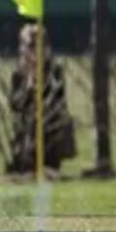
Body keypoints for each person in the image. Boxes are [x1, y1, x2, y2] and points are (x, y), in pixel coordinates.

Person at [8, 24, 76, 176]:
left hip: (50, 130)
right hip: (26, 132)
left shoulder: (55, 71)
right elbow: (15, 105)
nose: (35, 52)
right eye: (30, 47)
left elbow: (57, 101)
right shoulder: (18, 74)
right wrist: (29, 86)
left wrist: (43, 85)